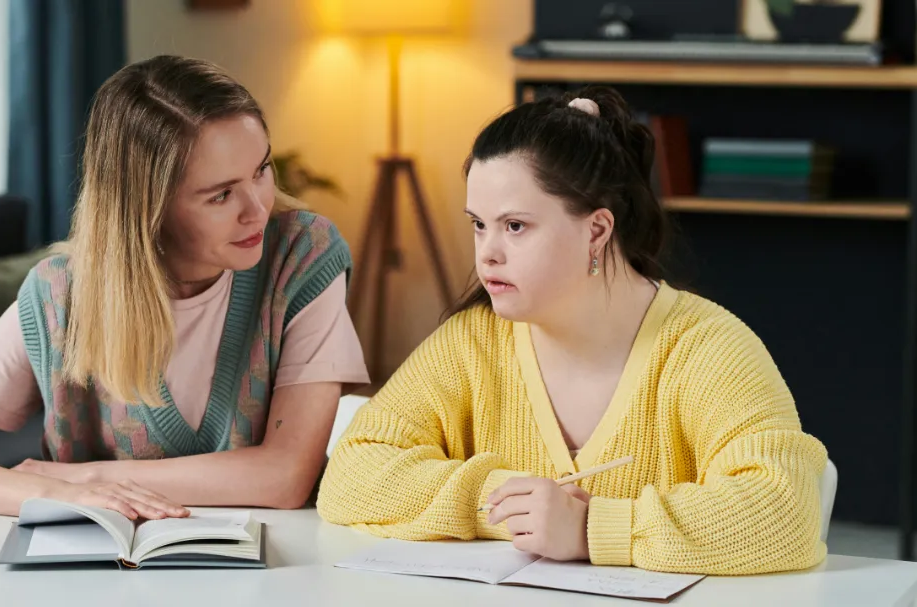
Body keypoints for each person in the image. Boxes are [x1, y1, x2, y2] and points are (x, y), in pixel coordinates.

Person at [316, 86, 828, 575]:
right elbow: (351, 474)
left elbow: (786, 510)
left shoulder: (707, 348)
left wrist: (589, 529)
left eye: (515, 226)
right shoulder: (474, 340)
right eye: (479, 224)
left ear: (597, 230)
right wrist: (503, 504)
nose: (487, 252)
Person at [0, 55, 369, 520]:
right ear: (146, 209)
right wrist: (49, 490)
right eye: (221, 195)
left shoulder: (301, 254)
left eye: (261, 170)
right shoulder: (60, 296)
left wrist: (88, 476)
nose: (257, 209)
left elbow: (286, 476)